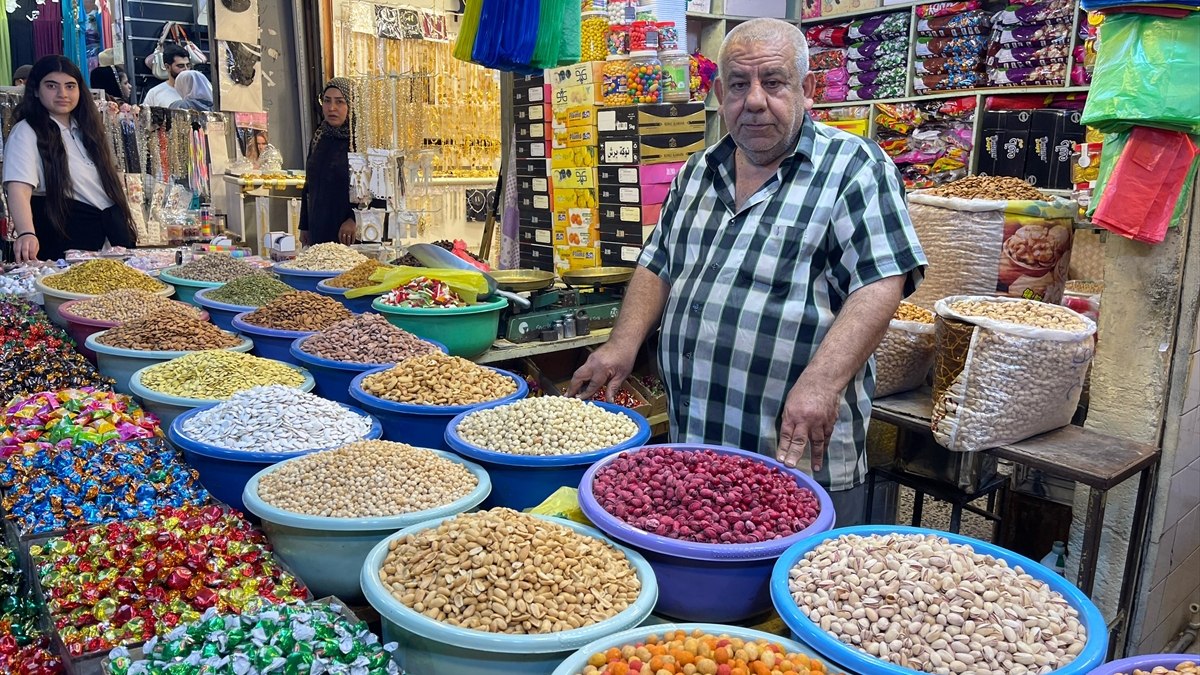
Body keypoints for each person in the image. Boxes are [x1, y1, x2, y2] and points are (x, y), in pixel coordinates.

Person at [569, 18, 927, 526]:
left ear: (806, 88)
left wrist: (823, 383)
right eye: (739, 84)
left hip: (796, 455)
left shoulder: (854, 167)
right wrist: (621, 344)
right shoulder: (697, 171)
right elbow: (658, 264)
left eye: (773, 82)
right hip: (694, 451)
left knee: (791, 593)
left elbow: (881, 281)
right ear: (719, 94)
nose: (754, 100)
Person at [3, 55, 137, 262]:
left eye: (70, 86)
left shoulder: (87, 130)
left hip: (109, 235)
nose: (62, 94)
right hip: (66, 236)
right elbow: (19, 187)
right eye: (51, 86)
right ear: (36, 91)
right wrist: (26, 233)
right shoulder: (27, 131)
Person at [298, 78, 360, 246]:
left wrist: (355, 220)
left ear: (352, 105)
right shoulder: (319, 137)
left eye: (340, 102)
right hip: (320, 228)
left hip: (350, 235)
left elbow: (376, 191)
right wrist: (305, 225)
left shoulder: (362, 141)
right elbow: (309, 184)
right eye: (327, 101)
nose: (332, 108)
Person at [142, 44, 189, 108]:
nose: (186, 69)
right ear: (167, 67)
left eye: (188, 65)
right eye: (180, 66)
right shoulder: (155, 93)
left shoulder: (197, 91)